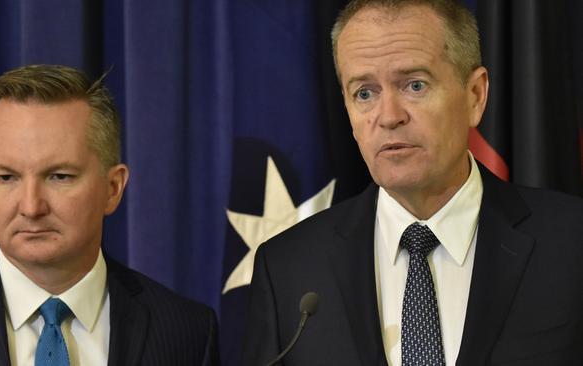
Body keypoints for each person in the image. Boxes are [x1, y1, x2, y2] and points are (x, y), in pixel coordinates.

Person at [242, 0, 583, 365]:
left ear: (475, 96)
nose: (388, 116)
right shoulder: (288, 268)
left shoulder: (572, 243)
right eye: (365, 93)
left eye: (415, 85)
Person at [0, 64, 220, 366]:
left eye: (59, 176)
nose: (31, 207)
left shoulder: (188, 332)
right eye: (6, 177)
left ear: (112, 188)